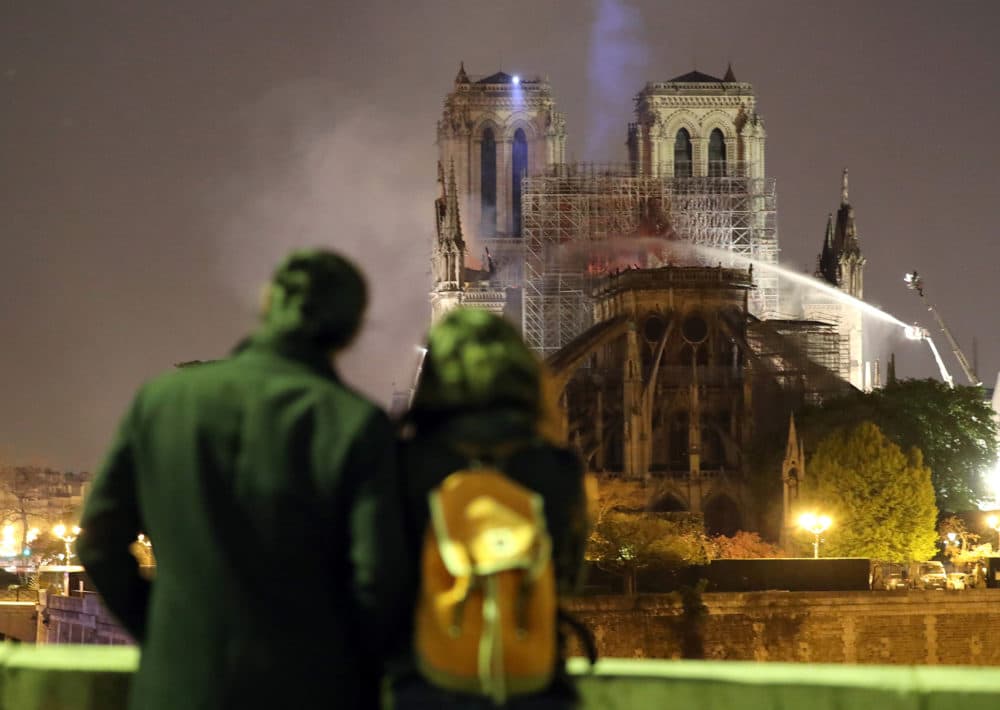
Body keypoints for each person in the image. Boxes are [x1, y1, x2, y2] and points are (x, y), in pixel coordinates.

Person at [77, 249, 406, 710]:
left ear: (267, 305)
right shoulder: (354, 423)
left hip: (178, 688)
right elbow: (381, 582)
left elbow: (97, 542)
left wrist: (166, 633)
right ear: (350, 330)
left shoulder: (161, 402)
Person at [388, 308, 589, 709]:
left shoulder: (402, 465)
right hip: (534, 684)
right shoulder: (557, 467)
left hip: (428, 683)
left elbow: (383, 581)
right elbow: (567, 579)